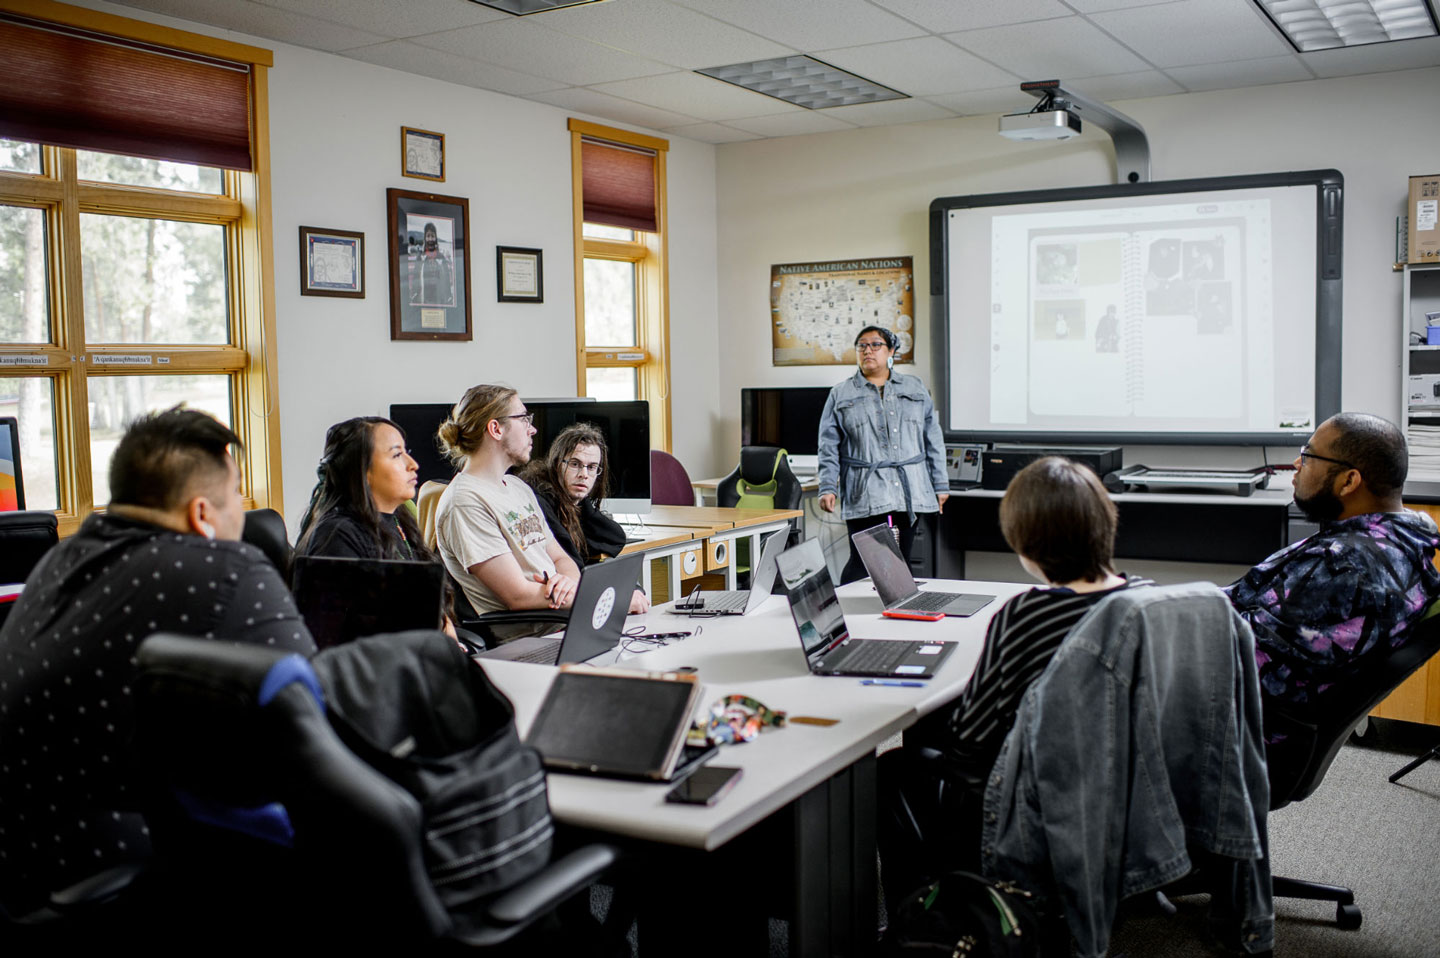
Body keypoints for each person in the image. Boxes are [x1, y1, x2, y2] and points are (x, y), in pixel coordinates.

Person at [0, 407, 317, 915]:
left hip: (24, 861)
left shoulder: (57, 559)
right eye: (236, 493)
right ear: (201, 514)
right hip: (128, 872)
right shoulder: (227, 566)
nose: (241, 506)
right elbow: (319, 725)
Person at [877, 456, 1151, 904]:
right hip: (1129, 794)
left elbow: (970, 741)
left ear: (1027, 544)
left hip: (1035, 802)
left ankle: (927, 918)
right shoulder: (1147, 600)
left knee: (894, 767)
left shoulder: (1025, 616)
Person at [1225, 413, 1440, 764]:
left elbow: (1233, 656)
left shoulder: (1345, 569)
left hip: (1235, 735)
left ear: (1349, 480)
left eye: (1308, 456)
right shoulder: (1402, 541)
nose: (1296, 464)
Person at [432, 385, 647, 626]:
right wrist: (612, 599)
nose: (532, 429)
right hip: (531, 639)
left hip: (569, 622)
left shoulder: (517, 487)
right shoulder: (465, 503)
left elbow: (563, 560)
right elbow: (518, 596)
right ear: (495, 428)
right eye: (524, 419)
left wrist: (568, 582)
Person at [293, 416, 458, 643]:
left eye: (406, 451)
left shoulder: (399, 519)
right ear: (361, 471)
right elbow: (339, 640)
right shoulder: (338, 535)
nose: (413, 464)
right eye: (397, 455)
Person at [817, 324, 948, 583]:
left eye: (876, 344)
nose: (868, 350)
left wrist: (940, 483)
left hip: (909, 486)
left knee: (901, 559)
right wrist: (828, 486)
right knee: (862, 561)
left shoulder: (915, 387)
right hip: (864, 488)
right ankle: (846, 615)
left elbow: (932, 437)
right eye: (862, 346)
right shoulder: (841, 393)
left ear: (891, 351)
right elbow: (828, 445)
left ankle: (900, 613)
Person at [517, 421, 626, 569]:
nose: (584, 474)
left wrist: (582, 500)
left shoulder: (572, 502)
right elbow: (572, 561)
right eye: (575, 464)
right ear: (556, 465)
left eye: (592, 467)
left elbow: (616, 538)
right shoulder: (542, 500)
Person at [412, 221, 453, 306]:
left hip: (438, 298)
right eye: (428, 236)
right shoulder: (420, 257)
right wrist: (415, 295)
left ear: (436, 238)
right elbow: (415, 278)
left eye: (432, 236)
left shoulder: (441, 257)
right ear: (425, 238)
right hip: (424, 297)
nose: (430, 239)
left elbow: (447, 280)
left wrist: (448, 297)